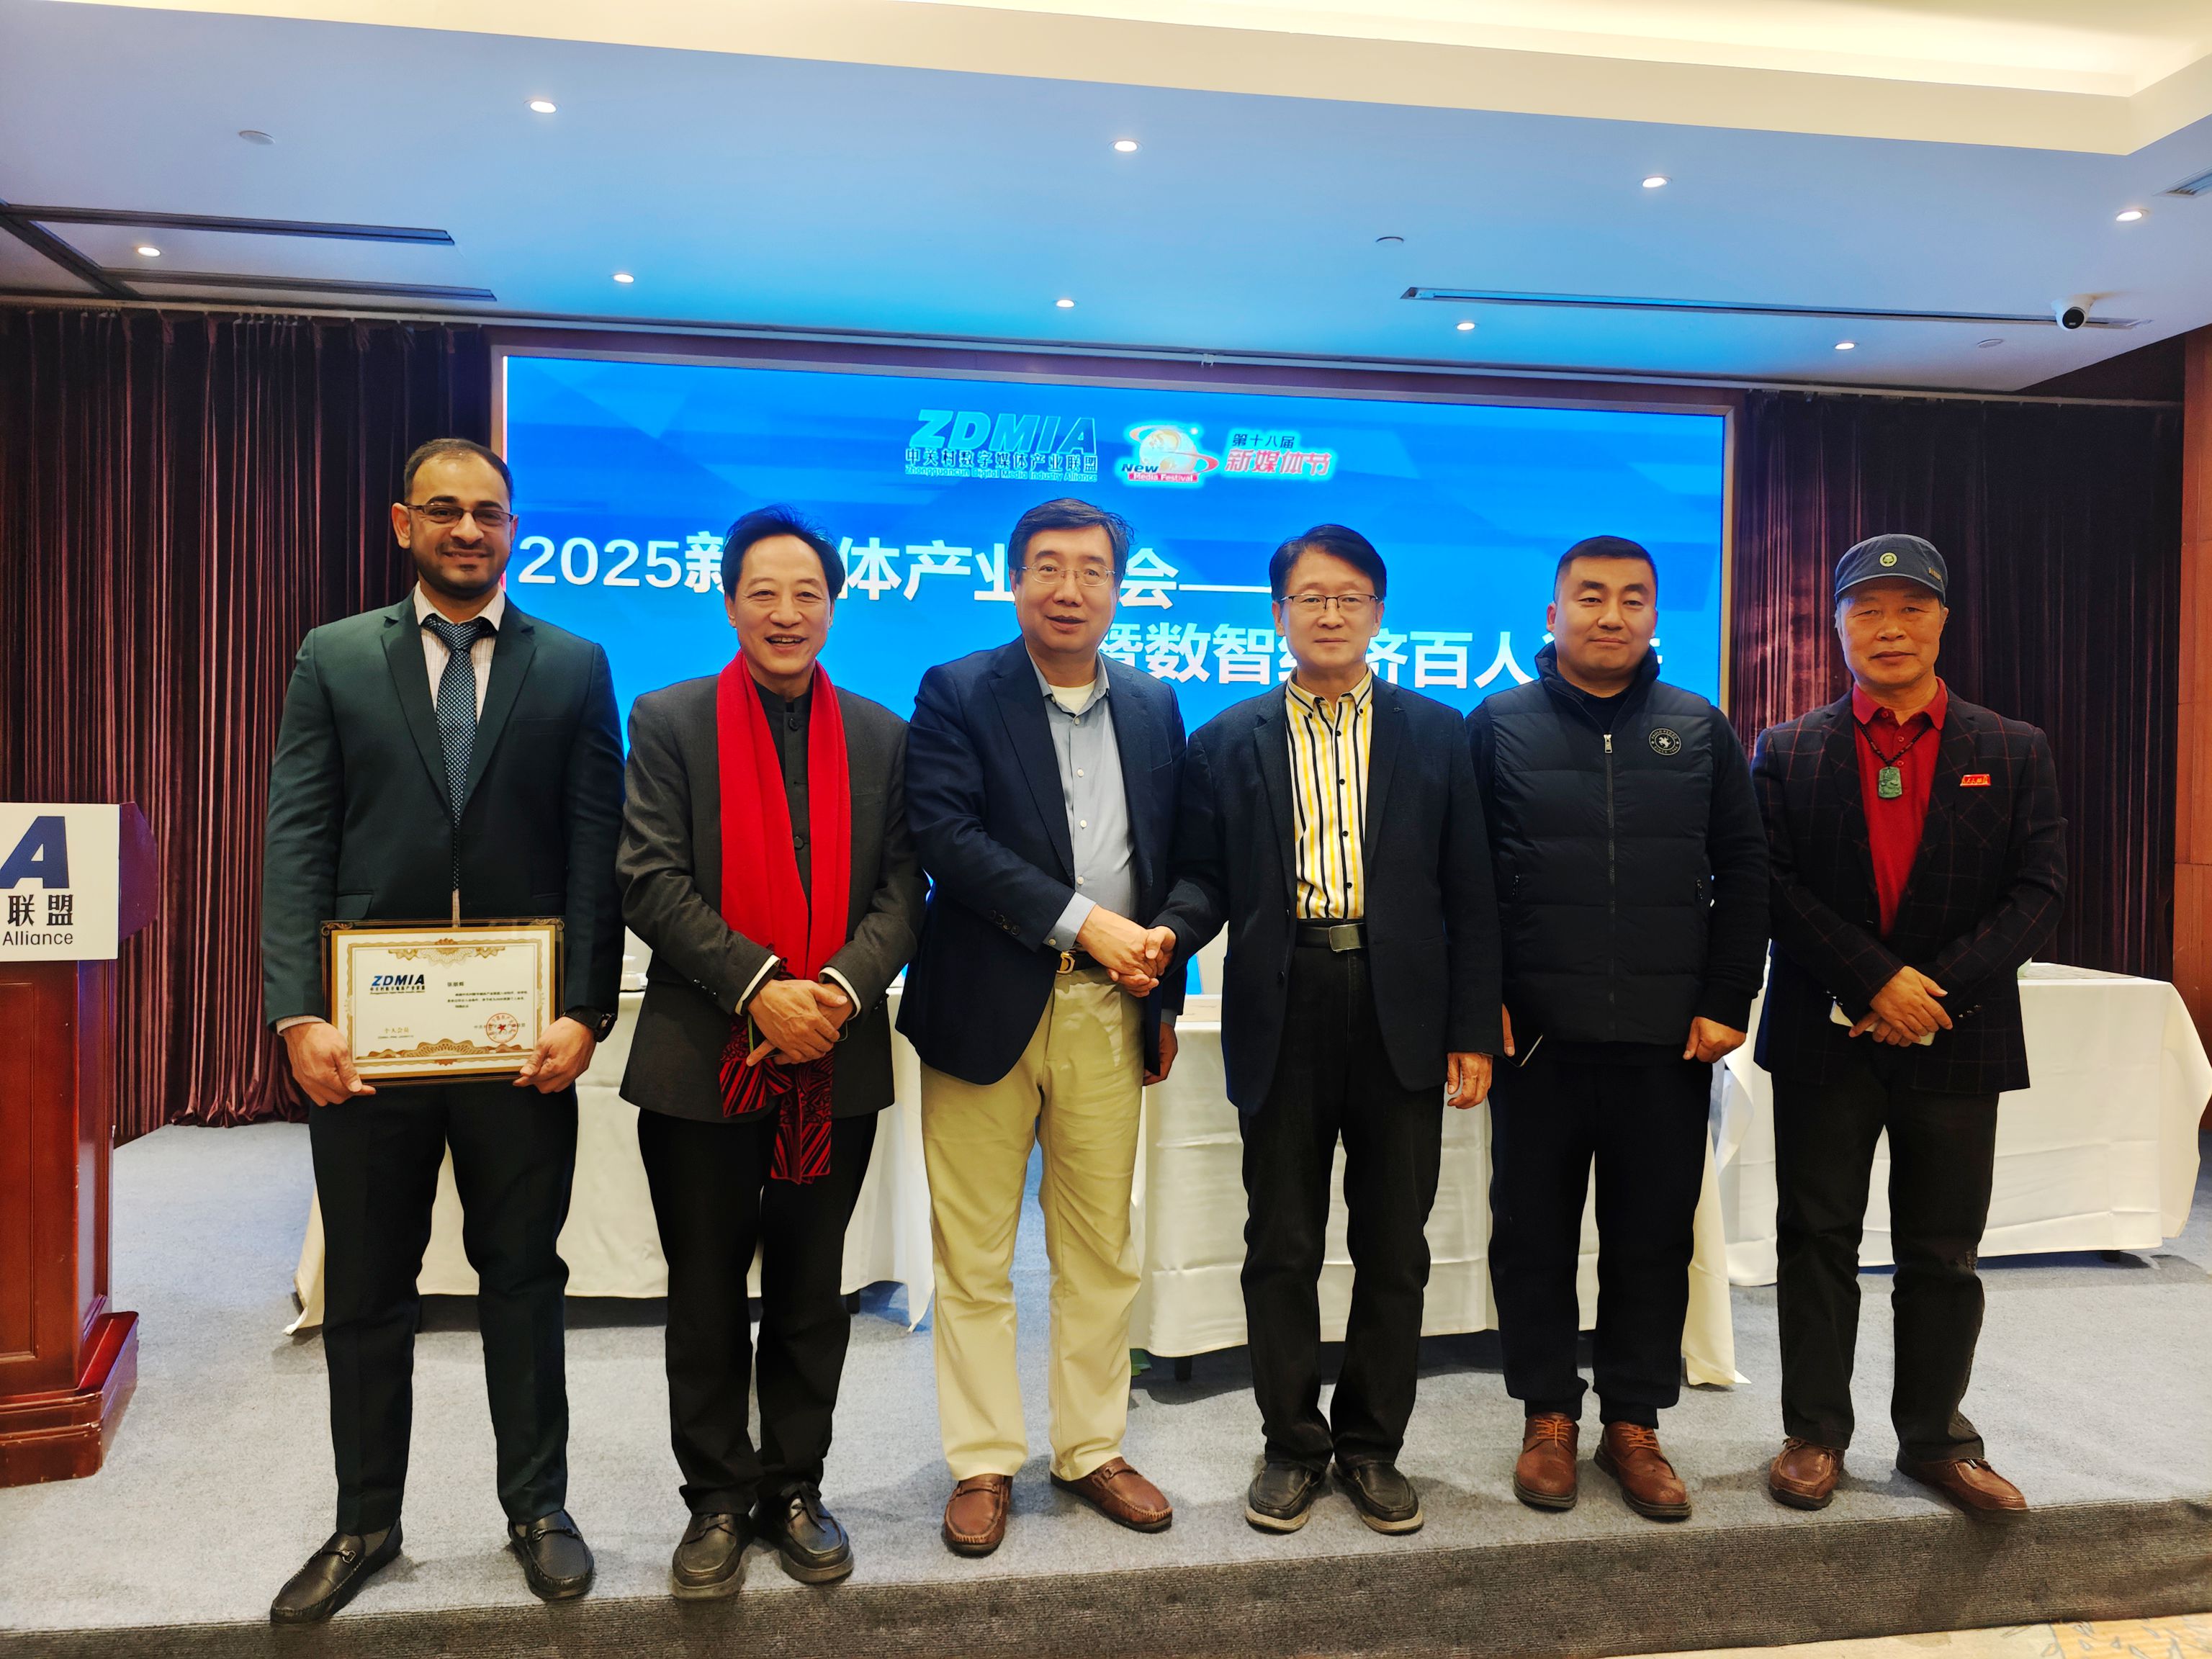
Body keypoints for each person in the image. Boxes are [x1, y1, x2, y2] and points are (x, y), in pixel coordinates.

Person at [260, 437, 623, 1622]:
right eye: (447, 510)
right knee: (369, 1287)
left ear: (514, 528)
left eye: (491, 513)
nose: (470, 530)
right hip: (369, 1043)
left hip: (521, 1042)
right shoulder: (334, 657)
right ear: (403, 522)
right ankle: (365, 1522)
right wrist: (298, 1010)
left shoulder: (574, 665)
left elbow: (595, 850)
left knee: (524, 1276)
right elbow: (298, 837)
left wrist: (584, 1009)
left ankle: (539, 1510)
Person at [1153, 523, 1500, 1536]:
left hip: (1404, 1010)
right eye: (1311, 596)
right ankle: (1292, 1447)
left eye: (1350, 596)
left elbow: (1471, 894)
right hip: (1284, 1002)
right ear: (1279, 614)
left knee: (1395, 1245)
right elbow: (1201, 880)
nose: (1331, 612)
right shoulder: (1226, 740)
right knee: (1282, 1242)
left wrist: (1472, 1028)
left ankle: (1373, 1447)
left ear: (1379, 612)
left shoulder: (1438, 733)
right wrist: (1165, 950)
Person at [617, 505, 926, 1595]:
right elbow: (649, 878)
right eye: (764, 592)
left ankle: (795, 1484)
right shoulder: (669, 719)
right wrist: (760, 989)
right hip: (702, 1055)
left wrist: (833, 992)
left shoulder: (883, 735)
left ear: (834, 607)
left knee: (809, 1285)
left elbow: (905, 891)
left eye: (808, 594)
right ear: (728, 602)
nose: (787, 613)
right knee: (704, 1288)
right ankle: (715, 1497)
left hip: (834, 1056)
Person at [1752, 534, 2064, 1517]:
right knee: (1815, 1239)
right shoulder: (1787, 749)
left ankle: (1936, 1439)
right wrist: (1875, 983)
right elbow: (1772, 887)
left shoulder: (2012, 747)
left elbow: (2038, 893)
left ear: (1942, 622)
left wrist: (1931, 995)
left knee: (1943, 1250)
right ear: (1839, 626)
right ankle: (1815, 1434)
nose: (1890, 628)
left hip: (1959, 1035)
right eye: (1868, 611)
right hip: (1826, 1034)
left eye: (1911, 609)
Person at [898, 497, 1185, 1557]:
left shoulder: (1154, 702)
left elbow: (1176, 859)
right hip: (985, 1004)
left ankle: (1091, 1446)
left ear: (1119, 586)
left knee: (1100, 1246)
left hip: (1111, 1007)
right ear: (1014, 578)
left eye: (1092, 570)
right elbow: (947, 838)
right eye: (1049, 567)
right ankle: (982, 1458)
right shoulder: (958, 689)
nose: (1071, 589)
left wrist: (1161, 979)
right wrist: (1085, 922)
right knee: (973, 1249)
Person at [1467, 534, 1767, 1522]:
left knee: (1651, 1239)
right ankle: (1548, 1415)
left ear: (1654, 615)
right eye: (1590, 596)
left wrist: (1728, 998)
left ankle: (1634, 1422)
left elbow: (1744, 870)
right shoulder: (1497, 724)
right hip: (1536, 1041)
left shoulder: (1698, 725)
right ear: (1552, 614)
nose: (1611, 614)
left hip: (1664, 1039)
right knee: (1533, 1238)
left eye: (1632, 598)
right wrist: (1480, 995)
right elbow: (1464, 877)